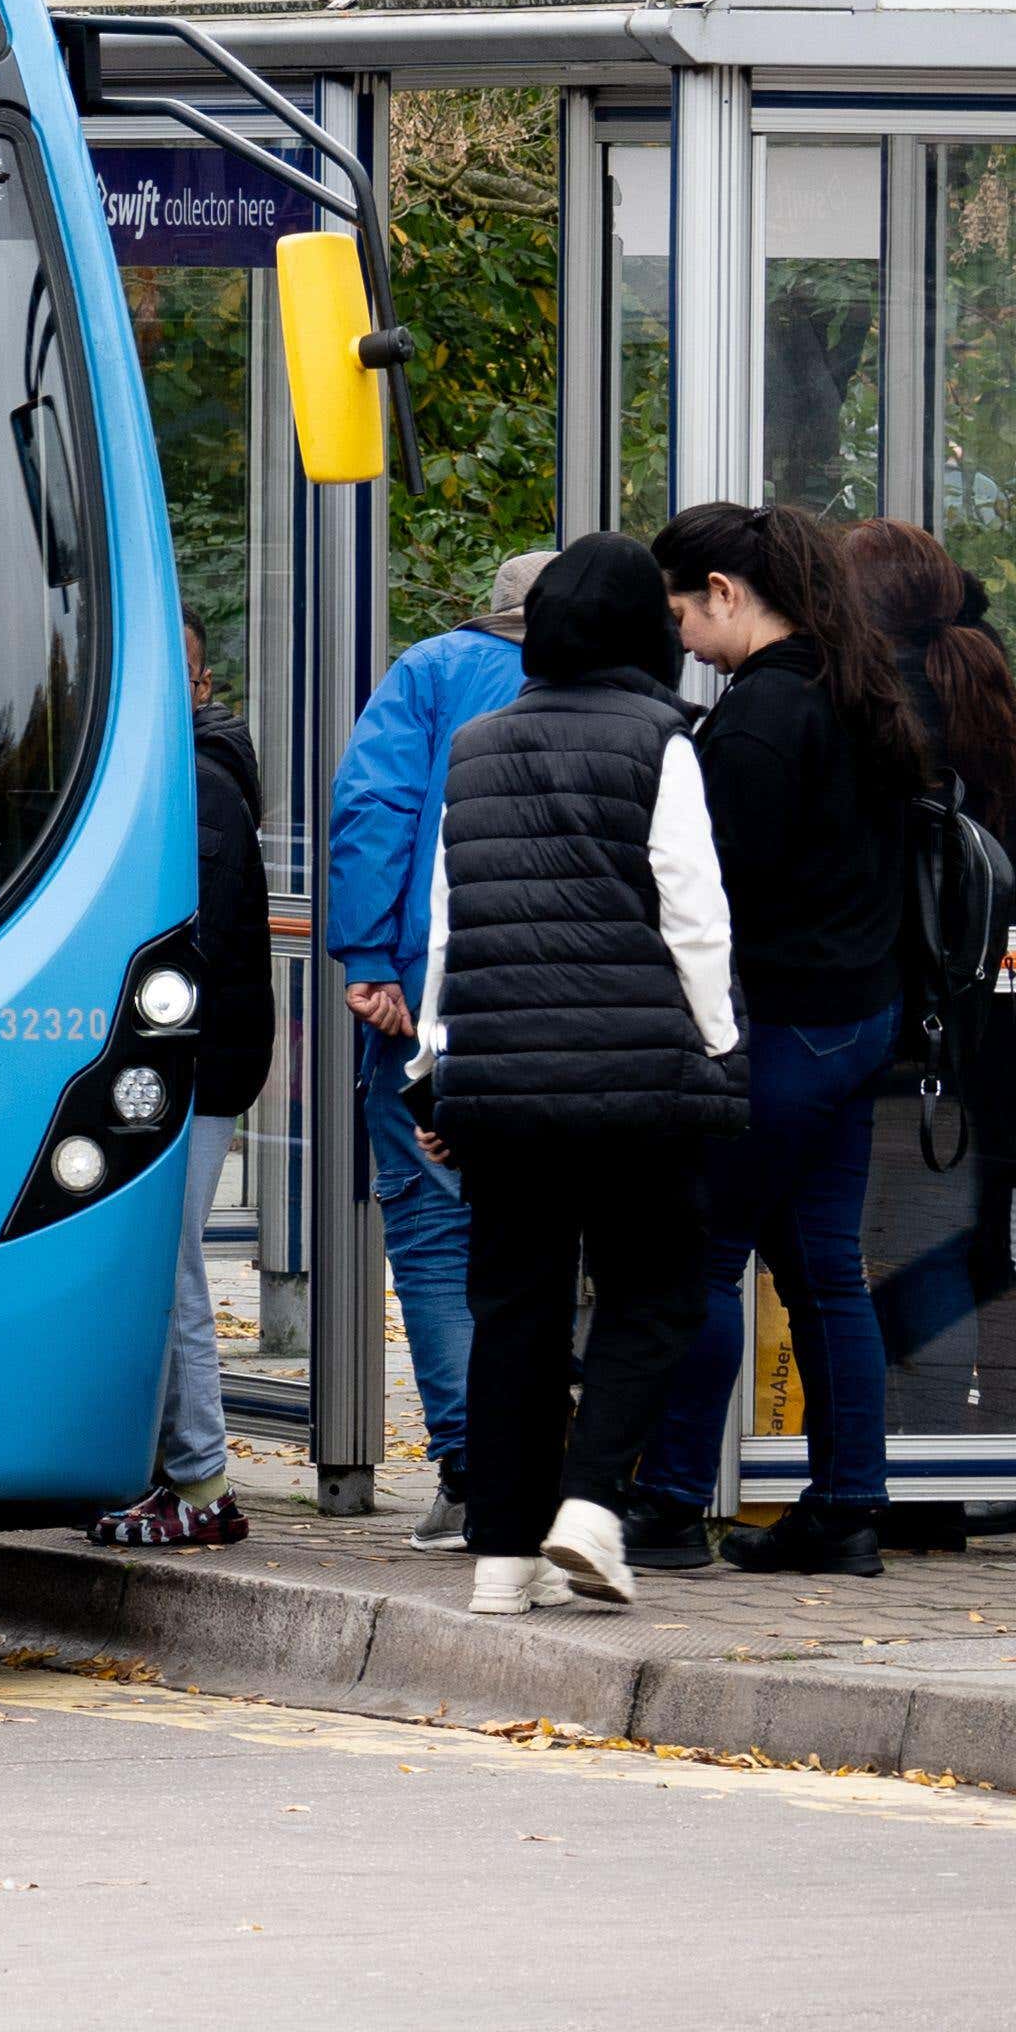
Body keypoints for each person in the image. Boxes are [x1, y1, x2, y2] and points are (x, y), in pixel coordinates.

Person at [420, 533, 741, 1615]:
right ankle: (593, 1503)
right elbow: (692, 913)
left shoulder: (474, 746)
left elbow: (449, 921)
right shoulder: (662, 740)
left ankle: (501, 1558)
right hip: (635, 1077)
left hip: (501, 1082)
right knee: (655, 1290)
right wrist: (719, 1043)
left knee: (515, 1309)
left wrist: (436, 1056)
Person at [631, 499, 925, 1577]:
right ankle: (844, 1509)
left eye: (681, 614)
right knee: (826, 1273)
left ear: (724, 592)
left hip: (780, 1027)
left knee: (699, 1258)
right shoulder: (856, 689)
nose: (681, 642)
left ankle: (667, 1503)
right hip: (857, 1021)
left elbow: (714, 895)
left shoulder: (757, 718)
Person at [324, 549, 548, 1548]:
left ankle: (471, 1470)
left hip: (427, 1000)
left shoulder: (431, 670)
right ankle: (565, 1462)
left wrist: (371, 958)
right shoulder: (632, 692)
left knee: (431, 1227)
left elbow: (373, 807)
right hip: (576, 1008)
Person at [841, 521, 1016, 1535]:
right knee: (979, 1256)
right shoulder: (1014, 731)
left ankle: (912, 1467)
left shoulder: (883, 725)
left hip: (915, 1045)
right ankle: (983, 1459)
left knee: (896, 1254)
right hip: (1004, 1043)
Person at [94, 631, 282, 1549]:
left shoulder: (197, 783)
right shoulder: (181, 775)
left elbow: (183, 935)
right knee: (157, 1262)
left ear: (195, 684)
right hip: (177, 1056)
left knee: (170, 1269)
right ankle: (169, 1471)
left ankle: (201, 1481)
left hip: (190, 1061)